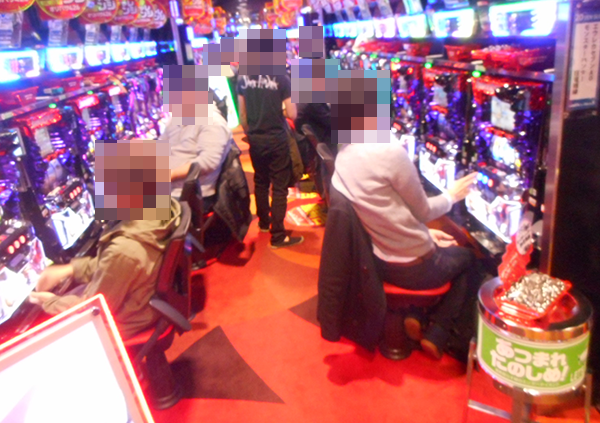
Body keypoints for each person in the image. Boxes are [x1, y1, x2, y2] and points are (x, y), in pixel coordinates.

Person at [331, 140, 481, 359]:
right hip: (413, 268)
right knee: (471, 259)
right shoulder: (390, 153)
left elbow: (382, 208)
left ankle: (417, 317)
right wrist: (452, 195)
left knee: (450, 250)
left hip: (376, 260)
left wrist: (425, 233)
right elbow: (425, 211)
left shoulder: (345, 153)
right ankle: (438, 332)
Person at [237, 73, 304, 249]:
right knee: (280, 187)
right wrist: (278, 112)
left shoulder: (243, 78)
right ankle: (278, 236)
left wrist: (252, 133)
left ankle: (264, 223)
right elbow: (292, 113)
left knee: (261, 181)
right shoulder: (282, 78)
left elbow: (242, 116)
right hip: (276, 138)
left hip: (256, 139)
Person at [165, 100, 233, 210]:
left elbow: (208, 163)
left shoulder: (212, 121)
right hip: (168, 189)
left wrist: (170, 174)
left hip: (190, 196)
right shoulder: (176, 118)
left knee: (139, 213)